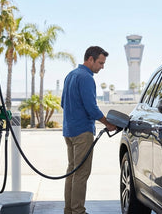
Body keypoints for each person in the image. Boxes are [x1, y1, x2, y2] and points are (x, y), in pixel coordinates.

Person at [61, 46, 117, 214]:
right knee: (81, 173)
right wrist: (108, 123)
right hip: (82, 132)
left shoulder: (70, 75)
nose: (102, 67)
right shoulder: (86, 78)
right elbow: (91, 108)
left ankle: (69, 210)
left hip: (69, 131)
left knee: (72, 172)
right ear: (90, 59)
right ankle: (78, 211)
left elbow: (63, 103)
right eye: (100, 63)